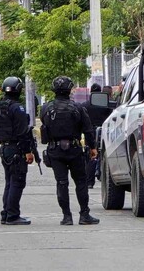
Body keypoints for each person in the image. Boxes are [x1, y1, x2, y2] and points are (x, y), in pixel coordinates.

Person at [40, 76, 99, 225]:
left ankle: (67, 216)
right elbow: (88, 130)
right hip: (74, 150)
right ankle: (84, 215)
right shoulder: (78, 108)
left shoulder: (46, 108)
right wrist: (93, 148)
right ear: (70, 90)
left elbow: (44, 126)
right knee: (80, 182)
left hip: (55, 150)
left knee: (61, 183)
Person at [0, 77, 34, 225]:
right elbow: (23, 133)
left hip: (5, 149)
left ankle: (6, 213)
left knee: (9, 182)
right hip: (16, 149)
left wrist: (2, 140)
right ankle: (12, 215)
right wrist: (28, 152)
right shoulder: (17, 108)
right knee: (17, 182)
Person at [83, 84, 113, 188]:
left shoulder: (85, 105)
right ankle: (103, 177)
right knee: (104, 155)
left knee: (91, 156)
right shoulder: (106, 104)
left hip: (89, 133)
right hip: (104, 132)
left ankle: (89, 182)